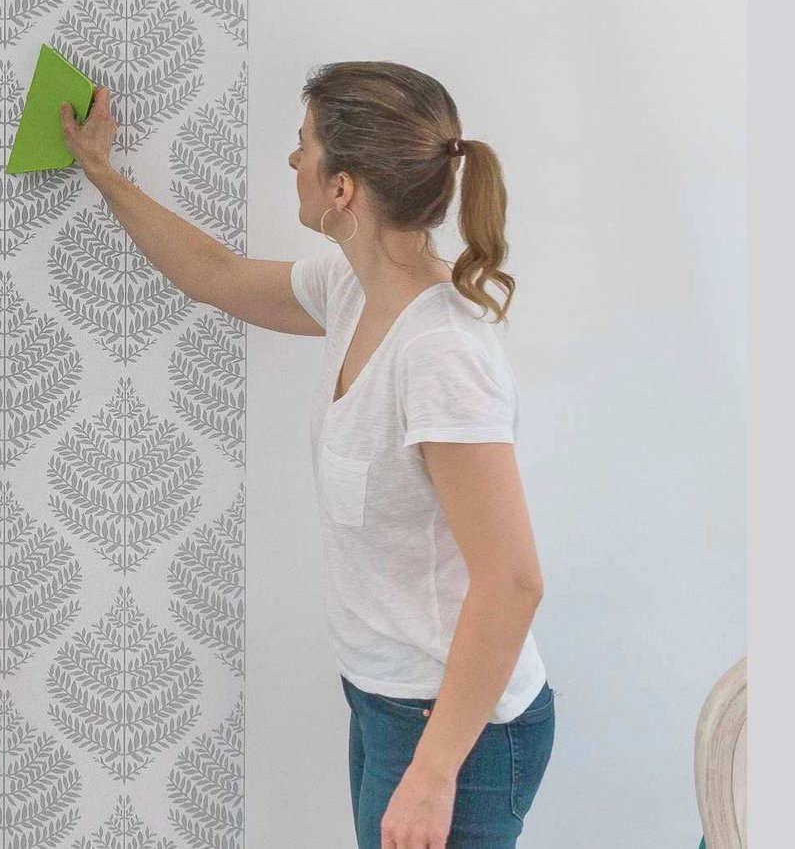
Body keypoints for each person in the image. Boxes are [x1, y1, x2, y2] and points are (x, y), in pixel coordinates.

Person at [61, 60, 554, 849]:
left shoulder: (439, 354)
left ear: (342, 188)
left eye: (305, 146)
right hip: (386, 701)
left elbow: (513, 581)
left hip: (457, 728)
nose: (294, 160)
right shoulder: (353, 291)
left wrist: (433, 773)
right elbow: (215, 275)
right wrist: (102, 173)